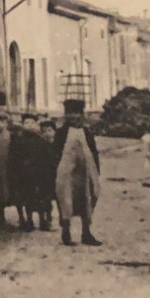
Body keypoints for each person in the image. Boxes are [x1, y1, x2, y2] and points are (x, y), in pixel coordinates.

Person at [52, 99, 102, 246]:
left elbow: (93, 152)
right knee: (66, 200)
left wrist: (96, 171)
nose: (74, 118)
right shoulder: (61, 133)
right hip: (66, 174)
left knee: (86, 199)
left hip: (85, 173)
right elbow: (55, 152)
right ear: (66, 116)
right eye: (71, 115)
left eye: (77, 115)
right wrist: (57, 170)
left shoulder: (87, 132)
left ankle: (86, 233)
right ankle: (66, 233)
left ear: (82, 115)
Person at [6, 114, 45, 230]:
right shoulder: (17, 140)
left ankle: (32, 219)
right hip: (20, 174)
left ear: (36, 125)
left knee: (33, 197)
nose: (29, 125)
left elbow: (43, 158)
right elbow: (12, 157)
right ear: (22, 125)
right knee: (20, 197)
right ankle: (23, 219)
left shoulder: (40, 140)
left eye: (32, 123)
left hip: (34, 174)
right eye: (26, 123)